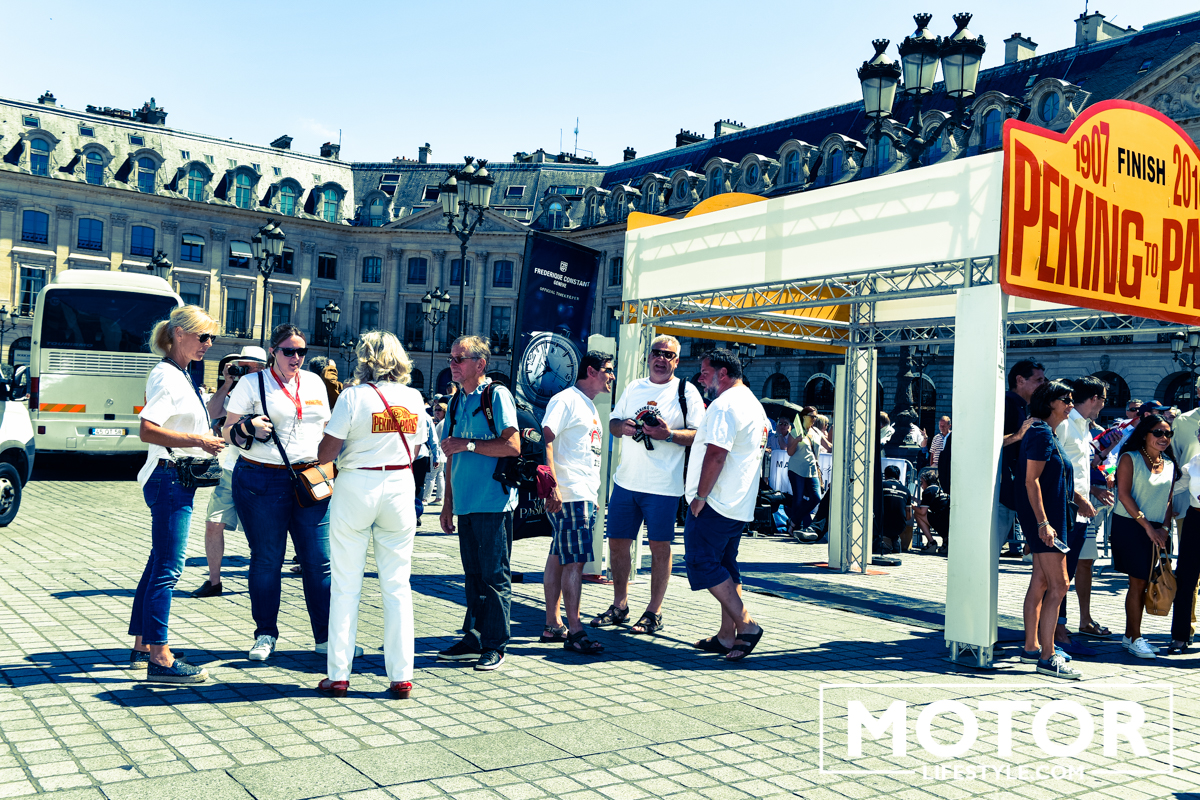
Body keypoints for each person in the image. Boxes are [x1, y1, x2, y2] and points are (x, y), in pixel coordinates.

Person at [316, 331, 428, 699]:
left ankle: (339, 674)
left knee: (346, 584)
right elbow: (417, 447)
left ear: (365, 357)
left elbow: (326, 453)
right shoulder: (414, 398)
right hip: (399, 485)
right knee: (397, 585)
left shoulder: (353, 396)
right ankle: (401, 675)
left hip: (357, 484)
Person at [224, 324, 338, 662]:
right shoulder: (252, 383)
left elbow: (326, 428)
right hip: (262, 479)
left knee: (319, 561)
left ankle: (326, 638)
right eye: (289, 351)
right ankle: (265, 634)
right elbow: (227, 431)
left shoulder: (314, 382)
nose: (296, 357)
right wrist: (248, 426)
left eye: (301, 351)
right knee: (267, 559)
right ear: (273, 351)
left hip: (310, 478)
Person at [128, 306, 224, 683]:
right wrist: (198, 440)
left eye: (211, 337)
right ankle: (160, 657)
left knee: (158, 563)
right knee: (169, 568)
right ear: (179, 334)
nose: (209, 344)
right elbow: (147, 430)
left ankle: (143, 646)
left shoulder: (180, 373)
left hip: (171, 476)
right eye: (203, 336)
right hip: (169, 478)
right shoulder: (168, 376)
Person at [595, 334, 704, 635]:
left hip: (663, 486)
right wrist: (624, 427)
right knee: (617, 544)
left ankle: (654, 612)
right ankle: (620, 605)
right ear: (649, 357)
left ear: (677, 361)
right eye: (657, 352)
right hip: (626, 481)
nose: (661, 359)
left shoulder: (686, 391)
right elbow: (613, 423)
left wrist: (669, 435)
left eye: (668, 355)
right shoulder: (634, 387)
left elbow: (699, 435)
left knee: (660, 549)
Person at [438, 335, 521, 671]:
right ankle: (473, 638)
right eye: (452, 358)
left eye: (459, 358)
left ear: (480, 364)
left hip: (492, 501)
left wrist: (468, 444)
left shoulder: (496, 395)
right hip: (466, 502)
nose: (453, 364)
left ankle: (495, 645)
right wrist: (447, 504)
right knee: (473, 576)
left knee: (494, 576)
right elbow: (449, 455)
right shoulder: (456, 400)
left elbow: (512, 446)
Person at [684, 349, 769, 661]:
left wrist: (700, 496)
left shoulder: (725, 405)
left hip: (716, 502)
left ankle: (746, 626)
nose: (700, 378)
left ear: (722, 373)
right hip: (737, 502)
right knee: (726, 566)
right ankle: (726, 635)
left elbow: (717, 453)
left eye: (705, 372)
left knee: (701, 562)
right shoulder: (753, 403)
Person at [540, 350, 613, 654]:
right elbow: (545, 437)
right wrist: (552, 486)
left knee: (559, 555)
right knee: (575, 561)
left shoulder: (588, 404)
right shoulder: (566, 400)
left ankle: (553, 624)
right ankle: (575, 630)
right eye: (608, 370)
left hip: (581, 494)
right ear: (591, 371)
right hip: (572, 493)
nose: (612, 376)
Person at [1017, 380, 1089, 680]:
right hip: (1046, 522)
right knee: (1060, 585)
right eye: (1066, 400)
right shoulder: (1041, 433)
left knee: (1041, 582)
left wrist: (1079, 499)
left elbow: (1053, 480)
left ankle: (1032, 647)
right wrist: (1043, 523)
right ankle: (1047, 657)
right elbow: (1031, 480)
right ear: (1050, 402)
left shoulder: (1047, 432)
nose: (1071, 405)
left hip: (1050, 519)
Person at [191, 345, 268, 599]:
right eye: (240, 367)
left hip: (260, 470)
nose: (242, 371)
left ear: (262, 368)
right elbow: (211, 413)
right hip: (231, 468)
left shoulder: (272, 393)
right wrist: (227, 383)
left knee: (260, 532)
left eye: (248, 367)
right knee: (213, 523)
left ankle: (262, 582)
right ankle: (214, 582)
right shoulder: (235, 393)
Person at [1111, 413, 1177, 659]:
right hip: (1130, 526)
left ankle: (1130, 636)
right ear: (1145, 434)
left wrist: (1165, 529)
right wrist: (1149, 527)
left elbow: (1168, 500)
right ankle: (1135, 638)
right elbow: (1124, 495)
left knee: (1145, 583)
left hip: (1158, 529)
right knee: (1137, 582)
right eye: (1158, 432)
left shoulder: (1170, 464)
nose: (1164, 437)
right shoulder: (1130, 458)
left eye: (1168, 433)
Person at [1054, 376, 1111, 652]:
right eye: (1103, 400)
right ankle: (1057, 630)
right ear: (1094, 399)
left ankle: (1057, 628)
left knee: (1067, 574)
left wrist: (1094, 490)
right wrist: (1079, 499)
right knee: (1058, 575)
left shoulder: (1084, 428)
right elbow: (1054, 468)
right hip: (1064, 510)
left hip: (1078, 512)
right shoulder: (1064, 424)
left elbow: (1078, 468)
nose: (1104, 406)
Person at [1000, 360, 1046, 557]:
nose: (1043, 385)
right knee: (990, 550)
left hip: (1009, 491)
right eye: (1039, 380)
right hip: (1000, 493)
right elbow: (987, 443)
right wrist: (1018, 435)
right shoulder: (1006, 404)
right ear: (1020, 380)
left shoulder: (1021, 407)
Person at [1171, 425, 1200, 655]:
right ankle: (1180, 637)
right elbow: (1174, 488)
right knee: (1185, 579)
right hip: (1195, 521)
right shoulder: (1194, 463)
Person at [782, 406, 823, 532]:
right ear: (804, 417)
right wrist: (796, 441)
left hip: (812, 469)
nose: (814, 419)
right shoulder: (795, 432)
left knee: (816, 498)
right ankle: (795, 527)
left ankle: (793, 520)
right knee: (798, 499)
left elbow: (828, 446)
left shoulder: (816, 432)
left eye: (816, 417)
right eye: (812, 416)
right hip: (796, 469)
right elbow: (789, 452)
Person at [914, 471, 951, 555]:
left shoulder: (928, 490)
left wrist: (912, 506)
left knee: (917, 513)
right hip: (948, 523)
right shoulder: (939, 489)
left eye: (922, 482)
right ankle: (945, 543)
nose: (921, 486)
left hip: (941, 523)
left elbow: (922, 511)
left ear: (927, 482)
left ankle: (931, 543)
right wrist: (914, 499)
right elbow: (927, 503)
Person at [879, 465, 913, 554]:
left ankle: (885, 543)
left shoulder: (880, 486)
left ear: (885, 476)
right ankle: (894, 539)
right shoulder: (906, 490)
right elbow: (909, 516)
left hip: (883, 525)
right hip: (900, 526)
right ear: (898, 477)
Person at [423, 402, 447, 504]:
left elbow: (435, 440)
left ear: (444, 411)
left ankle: (425, 498)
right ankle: (439, 497)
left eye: (439, 410)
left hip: (437, 452)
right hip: (442, 453)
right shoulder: (444, 422)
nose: (437, 412)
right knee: (439, 475)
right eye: (435, 410)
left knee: (431, 476)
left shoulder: (441, 424)